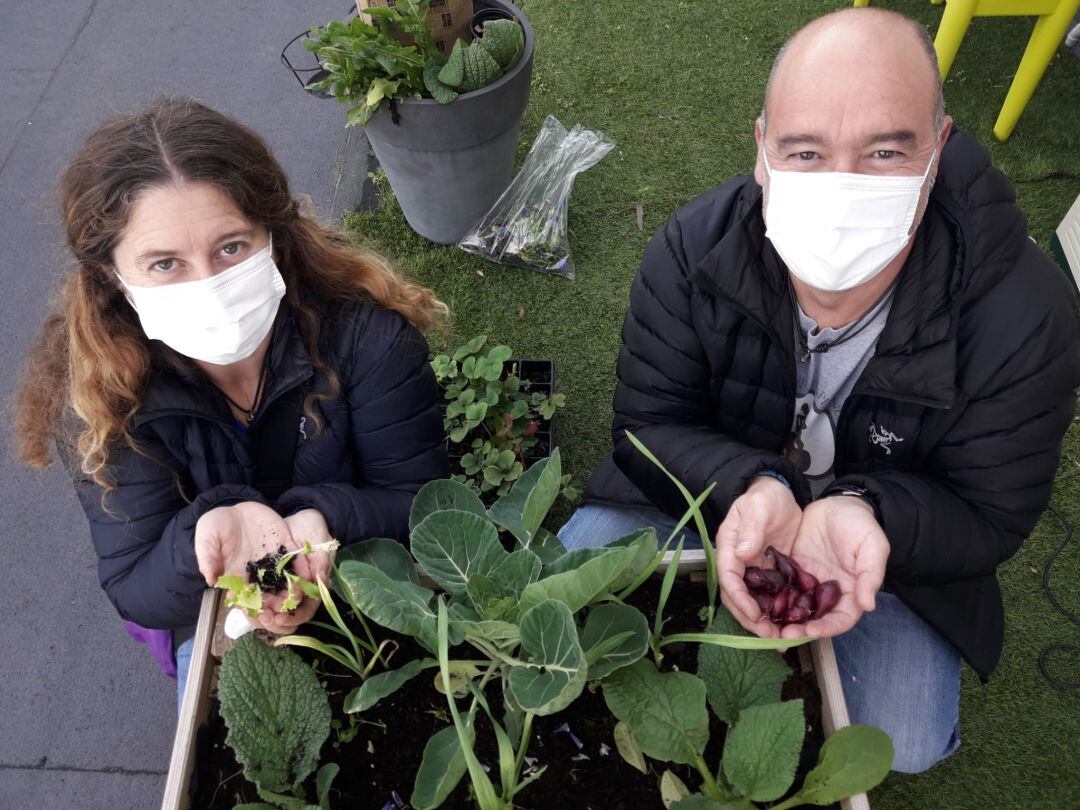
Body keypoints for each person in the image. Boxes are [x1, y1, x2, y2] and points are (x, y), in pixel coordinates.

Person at [560, 7, 1080, 773]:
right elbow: (647, 426)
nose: (840, 185)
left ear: (936, 151)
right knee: (564, 607)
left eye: (882, 152)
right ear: (762, 151)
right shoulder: (692, 249)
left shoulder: (1026, 318)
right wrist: (758, 483)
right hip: (710, 494)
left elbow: (989, 513)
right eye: (806, 150)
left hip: (889, 553)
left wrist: (867, 511)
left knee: (903, 743)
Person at [13, 98, 451, 708]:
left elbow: (423, 507)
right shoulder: (99, 399)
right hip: (216, 606)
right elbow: (135, 585)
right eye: (164, 263)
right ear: (113, 276)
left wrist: (324, 519)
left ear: (273, 234)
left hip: (360, 569)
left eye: (231, 248)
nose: (207, 286)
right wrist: (202, 538)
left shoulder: (367, 341)